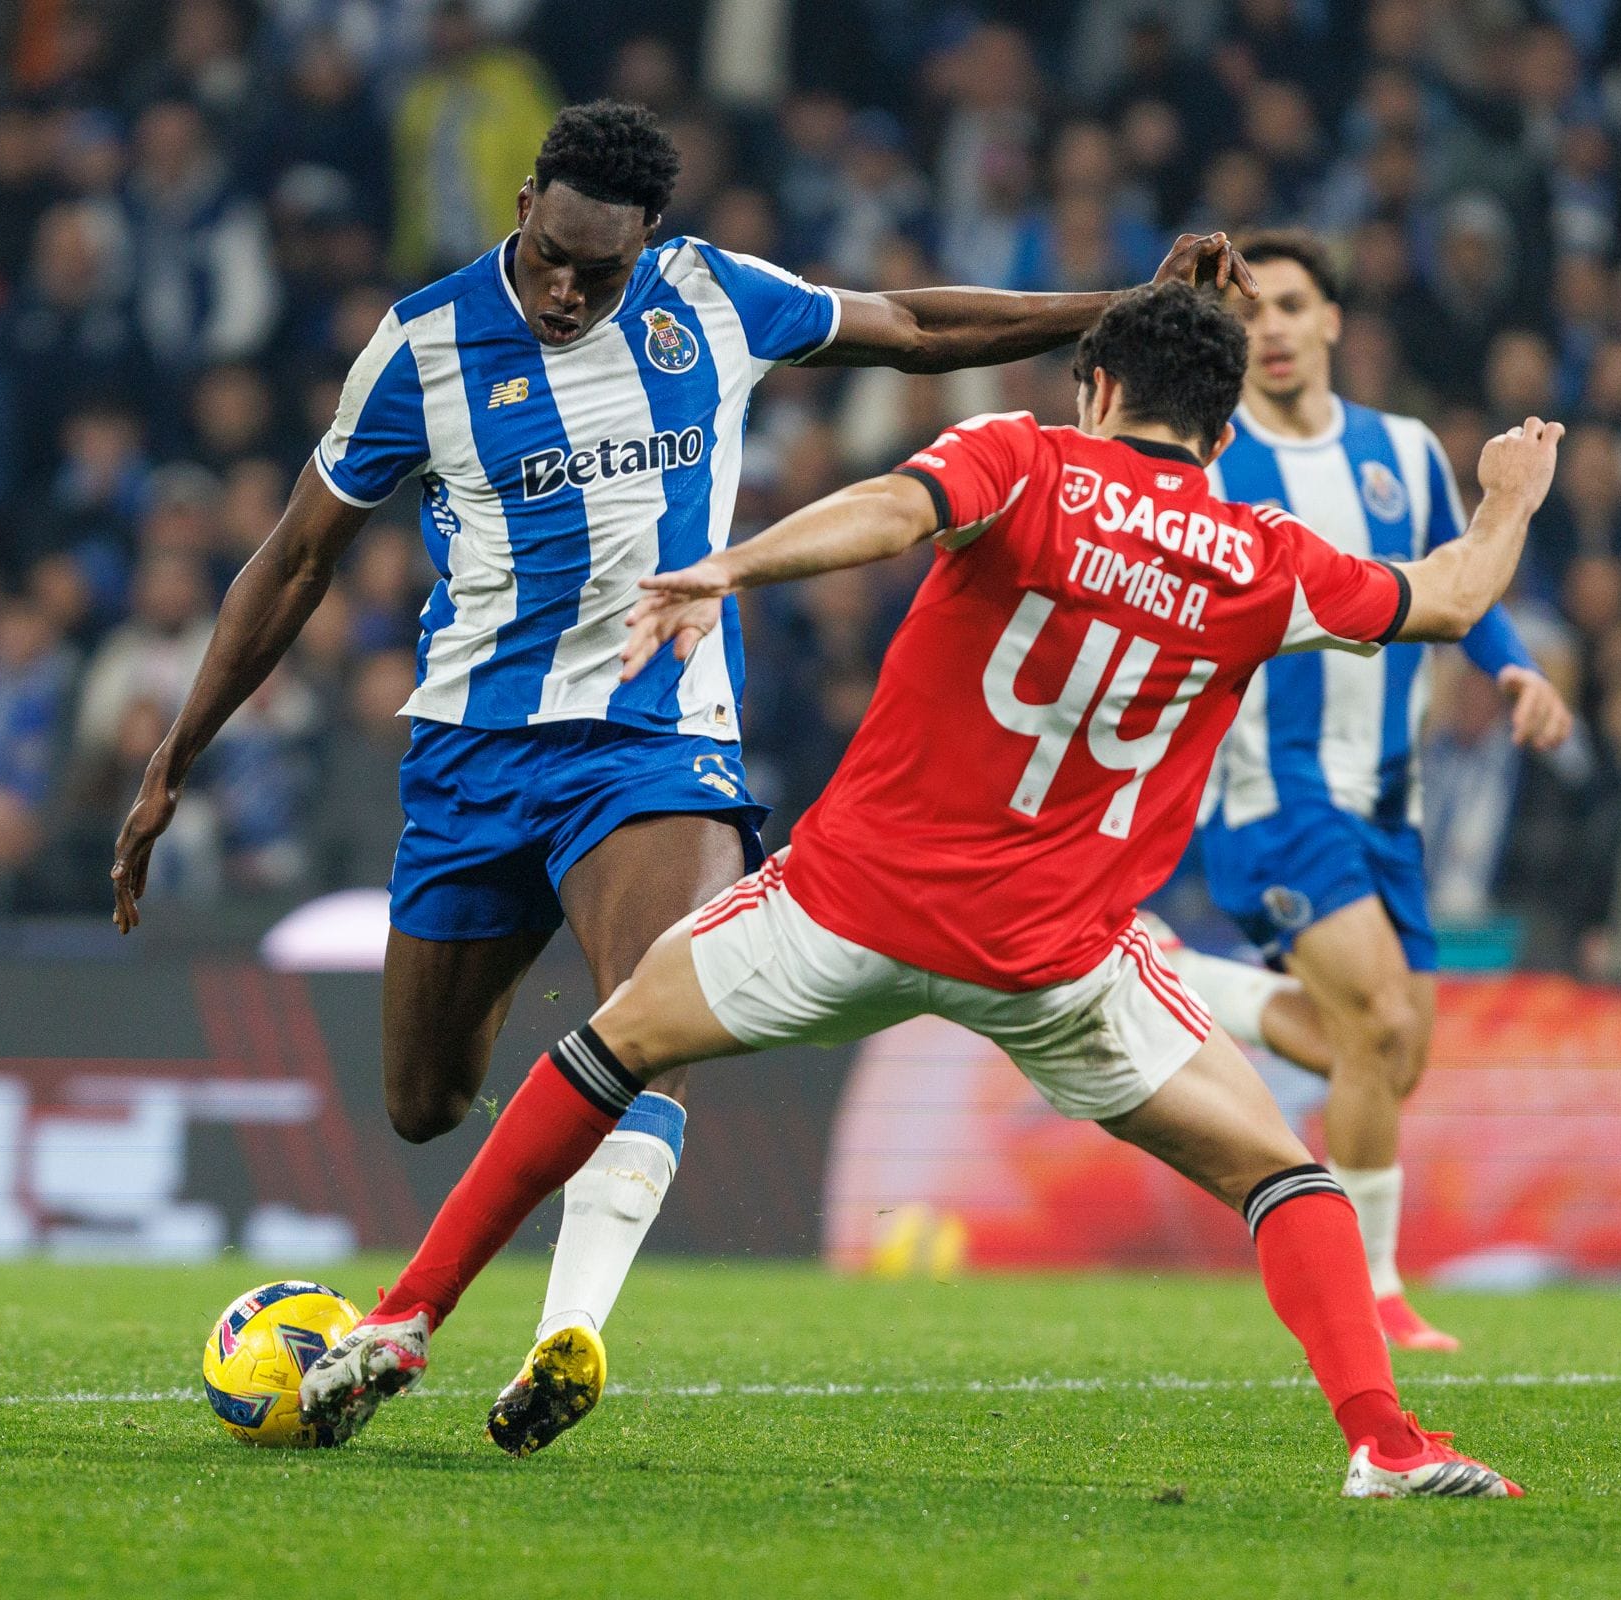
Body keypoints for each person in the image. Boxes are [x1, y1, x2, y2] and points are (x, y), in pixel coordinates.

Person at [299, 281, 1563, 1498]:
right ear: (1223, 432)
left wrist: (736, 567)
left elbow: (891, 513)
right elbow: (1450, 596)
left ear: (1097, 385)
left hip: (844, 912)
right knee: (1285, 1179)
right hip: (1053, 960)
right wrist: (1506, 498)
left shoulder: (1026, 460)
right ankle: (1383, 1442)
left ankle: (407, 1317)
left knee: (609, 1047)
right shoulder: (1263, 559)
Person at [108, 101, 1255, 1440]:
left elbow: (907, 325)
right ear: (526, 200)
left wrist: (1121, 312)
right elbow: (295, 558)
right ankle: (549, 1116)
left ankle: (565, 1332)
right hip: (473, 756)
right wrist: (174, 758)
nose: (563, 288)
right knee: (423, 1102)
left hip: (652, 743)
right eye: (548, 255)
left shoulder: (709, 295)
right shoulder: (420, 345)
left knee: (658, 1023)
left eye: (597, 272)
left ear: (647, 242)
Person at [1140, 232, 1575, 1352]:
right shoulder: (1210, 459)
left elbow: (1455, 581)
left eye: (1291, 307)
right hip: (1264, 789)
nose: (1271, 330)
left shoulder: (1404, 449)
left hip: (1389, 797)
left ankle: (1183, 979)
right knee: (1376, 1018)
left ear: (1332, 320)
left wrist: (1514, 667)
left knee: (1388, 1052)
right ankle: (1374, 1289)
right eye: (1251, 315)